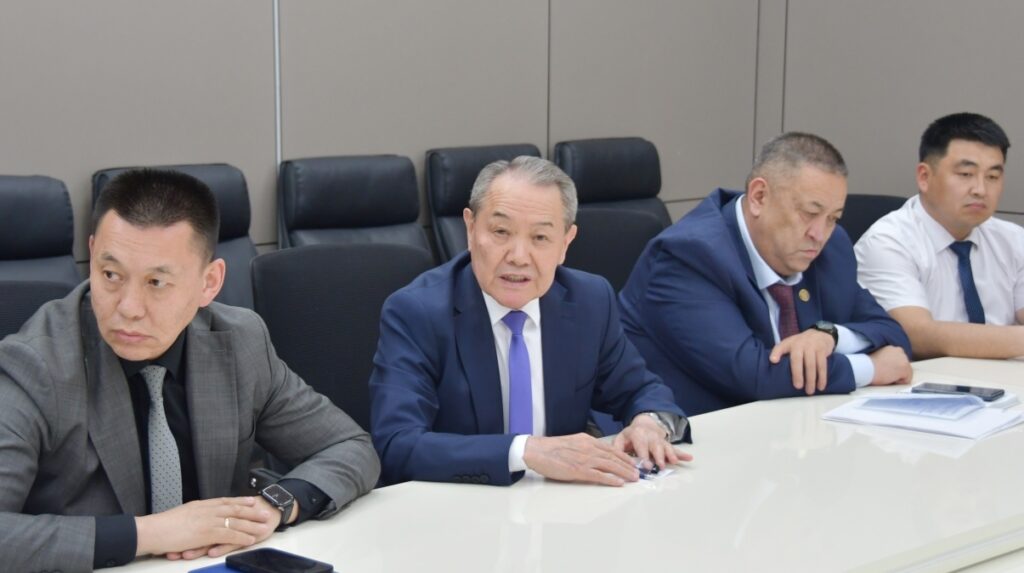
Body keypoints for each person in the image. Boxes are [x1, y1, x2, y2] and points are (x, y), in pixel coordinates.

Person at [0, 169, 379, 572]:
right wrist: (151, 533)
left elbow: (350, 447)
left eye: (156, 282)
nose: (128, 307)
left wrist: (274, 506)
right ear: (92, 256)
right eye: (111, 275)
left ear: (209, 283)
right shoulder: (35, 365)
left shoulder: (240, 341)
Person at [370, 156, 691, 487]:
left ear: (565, 243)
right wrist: (524, 451)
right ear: (471, 228)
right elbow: (397, 444)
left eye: (540, 238)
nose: (519, 257)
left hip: (560, 503)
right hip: (461, 504)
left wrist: (648, 422)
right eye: (501, 232)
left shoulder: (589, 301)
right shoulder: (416, 312)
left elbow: (641, 389)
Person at [619, 132, 913, 416]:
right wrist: (870, 368)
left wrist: (829, 335)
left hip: (795, 428)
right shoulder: (688, 256)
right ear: (759, 197)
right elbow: (753, 376)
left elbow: (893, 335)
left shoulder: (832, 248)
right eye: (810, 213)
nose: (819, 234)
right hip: (691, 433)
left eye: (833, 218)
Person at [855, 112, 1024, 359]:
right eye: (966, 174)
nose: (980, 190)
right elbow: (916, 334)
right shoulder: (887, 242)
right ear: (924, 177)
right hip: (924, 379)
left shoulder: (1014, 239)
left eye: (992, 177)